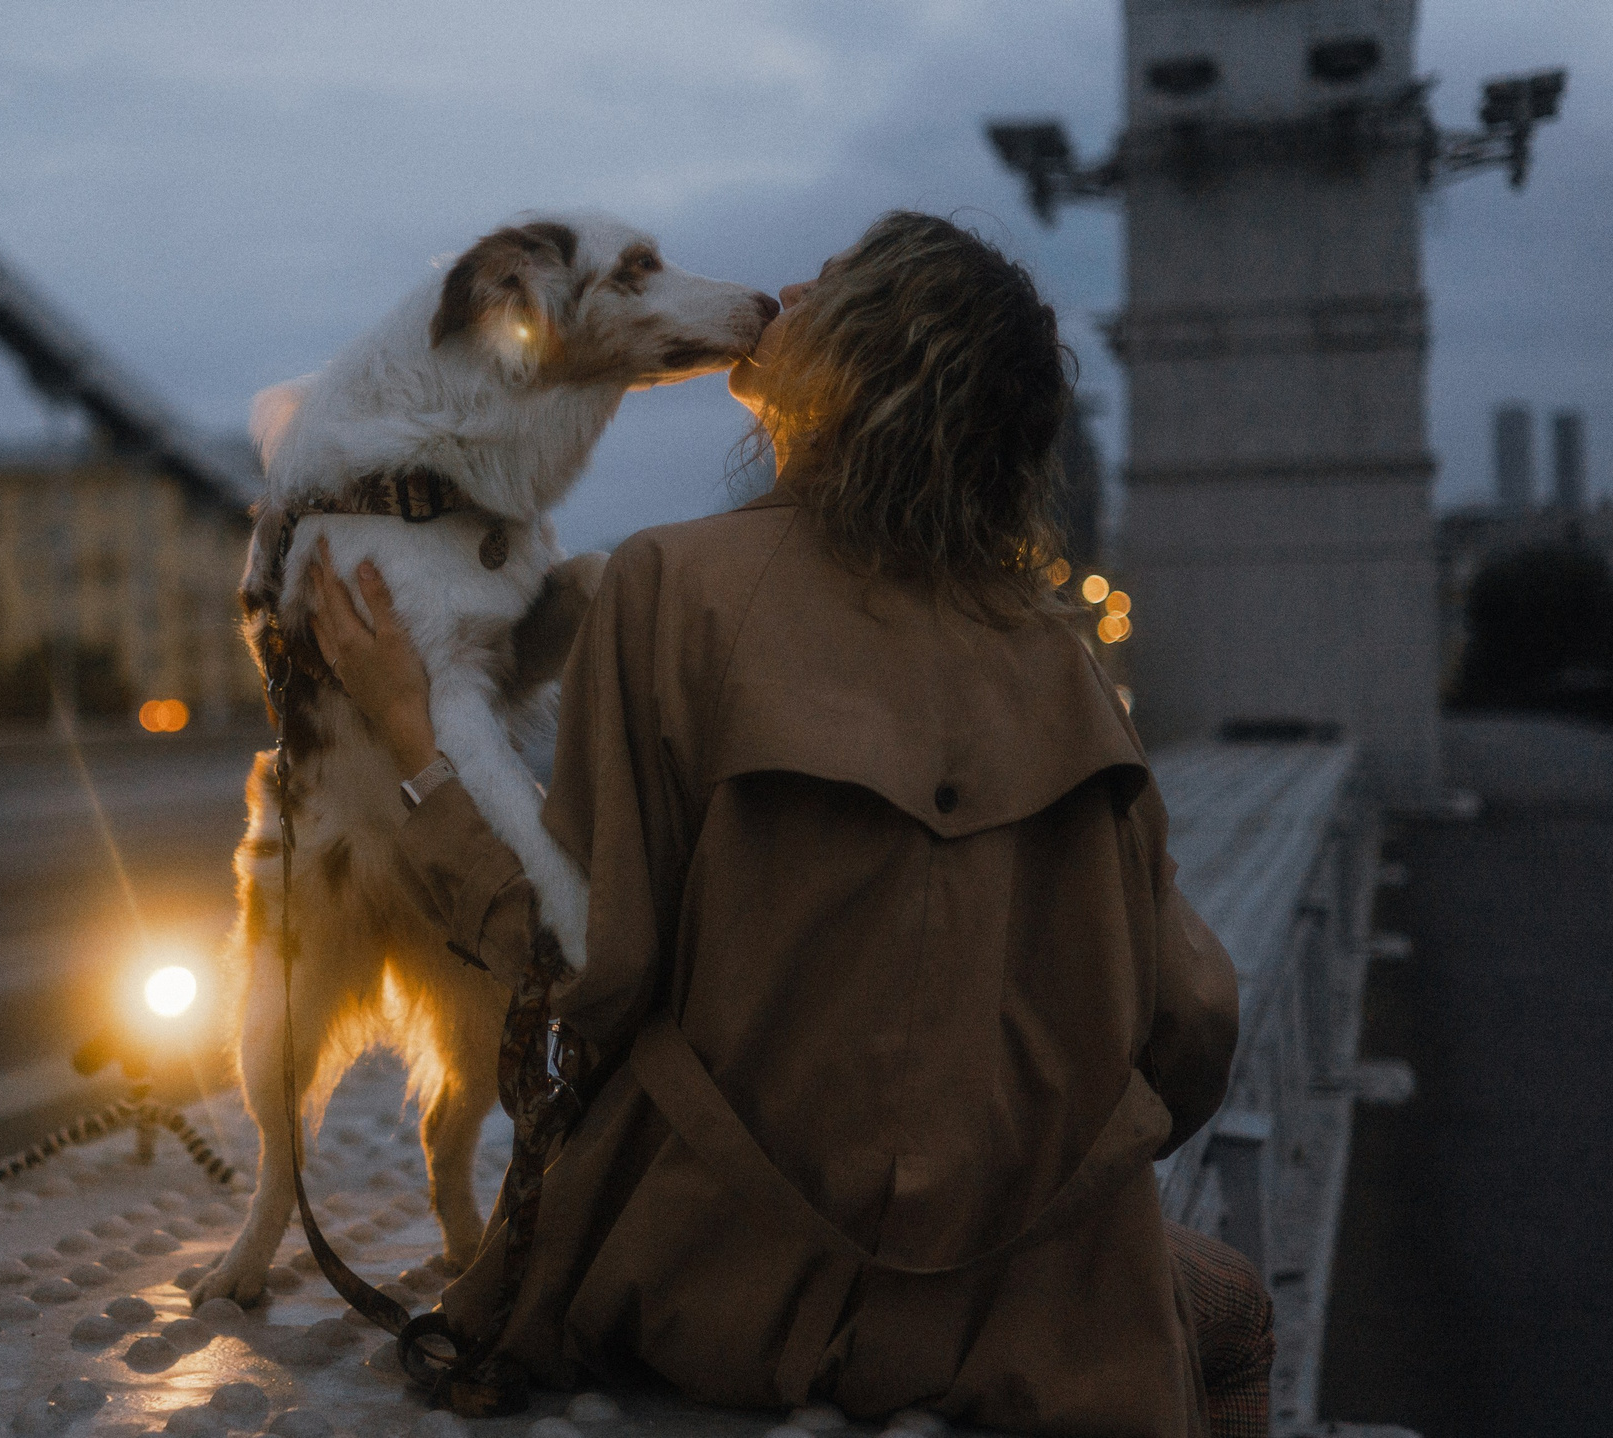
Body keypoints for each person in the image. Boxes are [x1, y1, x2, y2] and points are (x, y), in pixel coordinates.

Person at [304, 211, 1273, 1437]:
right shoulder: (1055, 657)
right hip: (1017, 1309)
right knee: (1227, 1309)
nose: (785, 288)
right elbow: (1195, 1016)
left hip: (708, 1287)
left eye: (827, 285)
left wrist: (409, 732)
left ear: (868, 361)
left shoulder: (666, 588)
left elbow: (581, 965)